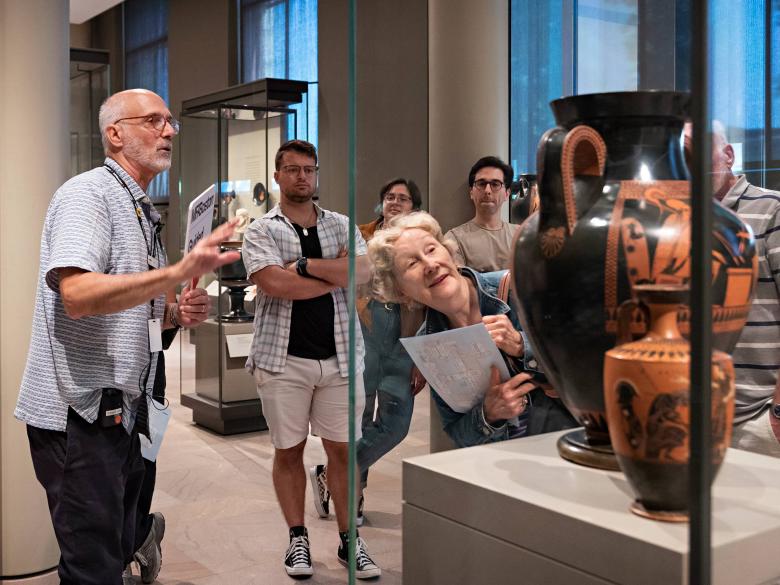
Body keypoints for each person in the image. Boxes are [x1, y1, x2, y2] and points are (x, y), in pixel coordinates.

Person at [14, 89, 239, 585]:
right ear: (114, 134)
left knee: (115, 546)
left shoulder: (138, 206)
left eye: (170, 122)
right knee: (92, 564)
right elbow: (77, 293)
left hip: (120, 409)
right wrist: (175, 272)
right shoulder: (88, 195)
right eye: (153, 121)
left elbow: (126, 313)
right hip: (79, 415)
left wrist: (174, 315)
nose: (168, 131)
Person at [242, 139, 381, 580]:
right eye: (293, 169)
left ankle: (349, 542)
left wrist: (301, 266)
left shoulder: (341, 224)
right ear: (278, 175)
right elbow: (275, 286)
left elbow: (366, 273)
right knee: (289, 451)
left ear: (317, 174)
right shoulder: (260, 230)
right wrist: (332, 273)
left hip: (340, 358)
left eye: (309, 169)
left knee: (343, 452)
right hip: (283, 361)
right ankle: (297, 539)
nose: (303, 176)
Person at [369, 212, 577, 448]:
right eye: (412, 263)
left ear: (448, 251)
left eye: (431, 250)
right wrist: (488, 414)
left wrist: (522, 345)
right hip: (507, 464)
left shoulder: (518, 288)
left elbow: (584, 357)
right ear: (401, 291)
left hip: (570, 447)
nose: (430, 265)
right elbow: (457, 431)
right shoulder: (430, 342)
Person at [310, 178, 425, 528]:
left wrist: (422, 355)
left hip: (403, 336)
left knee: (395, 424)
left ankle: (332, 474)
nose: (394, 202)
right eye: (389, 196)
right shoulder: (359, 234)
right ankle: (353, 498)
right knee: (358, 421)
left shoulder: (422, 241)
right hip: (366, 327)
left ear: (413, 207)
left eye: (403, 198)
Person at [684, 122, 780, 457]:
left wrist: (778, 412)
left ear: (728, 155)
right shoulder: (678, 221)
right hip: (692, 418)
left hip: (757, 419)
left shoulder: (772, 210)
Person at [445, 156, 519, 272]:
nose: (487, 190)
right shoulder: (454, 239)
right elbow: (461, 285)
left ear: (507, 194)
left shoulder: (520, 235)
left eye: (495, 184)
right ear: (471, 192)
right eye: (481, 184)